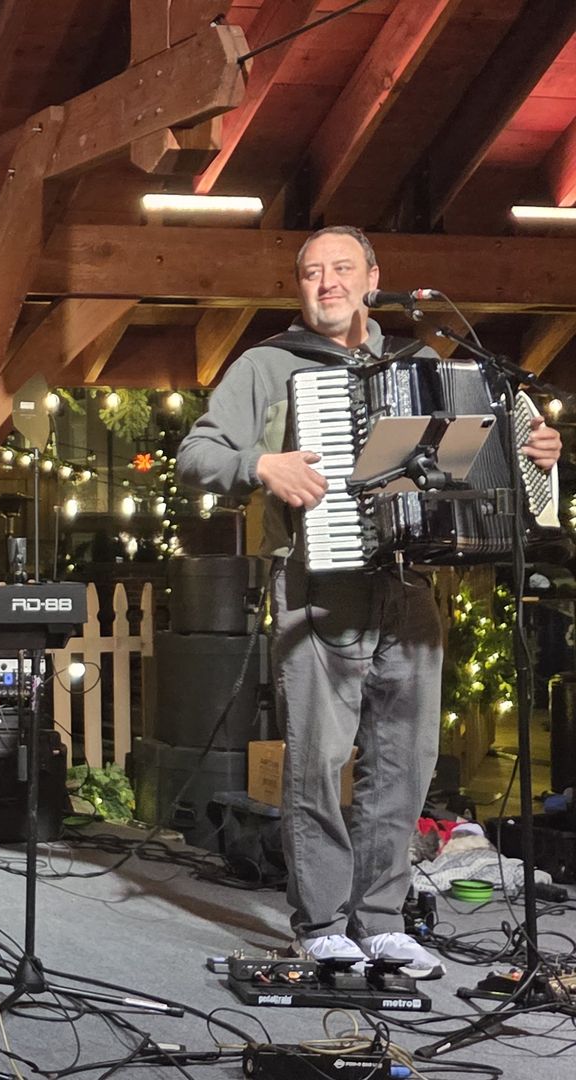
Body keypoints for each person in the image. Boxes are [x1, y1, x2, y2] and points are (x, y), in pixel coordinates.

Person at [177, 225, 562, 977]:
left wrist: (533, 455)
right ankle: (322, 920)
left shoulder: (423, 364)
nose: (327, 283)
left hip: (412, 584)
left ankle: (381, 920)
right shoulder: (269, 363)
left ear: (371, 279)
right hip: (320, 585)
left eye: (341, 269)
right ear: (300, 288)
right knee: (318, 762)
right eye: (312, 272)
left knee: (404, 761)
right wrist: (262, 463)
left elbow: (471, 463)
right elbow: (198, 454)